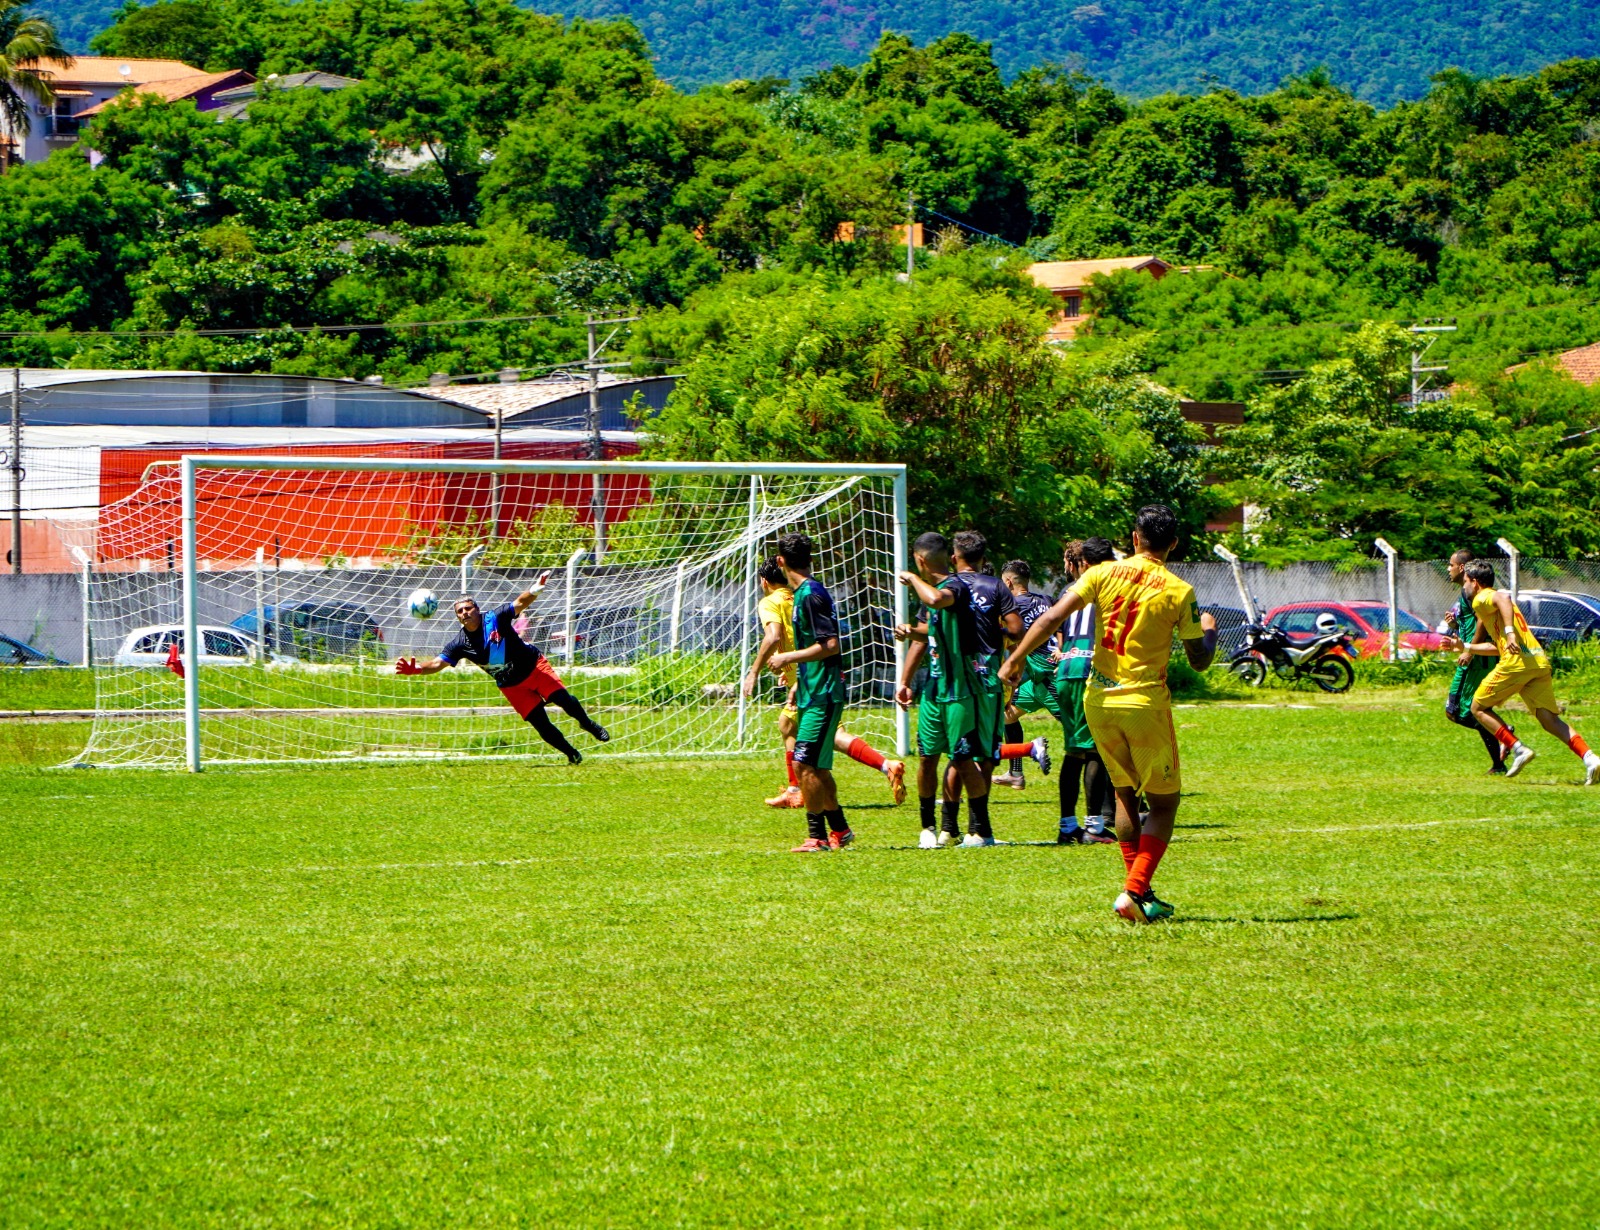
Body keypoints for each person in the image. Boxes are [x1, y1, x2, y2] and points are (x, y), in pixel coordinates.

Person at [1002, 505, 1217, 924]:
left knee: (1124, 793)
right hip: (1143, 702)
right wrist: (1206, 628)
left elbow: (1051, 617)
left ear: (1135, 539)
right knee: (1164, 803)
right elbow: (1200, 661)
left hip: (1098, 699)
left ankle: (1142, 894)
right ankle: (1133, 890)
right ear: (1173, 544)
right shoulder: (1179, 591)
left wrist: (1015, 661)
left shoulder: (1100, 574)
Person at [744, 558, 907, 808]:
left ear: (764, 582)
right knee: (804, 728)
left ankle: (802, 792)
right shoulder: (796, 597)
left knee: (807, 730)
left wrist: (754, 671)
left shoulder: (770, 601)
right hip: (812, 672)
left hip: (811, 679)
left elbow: (774, 635)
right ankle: (798, 789)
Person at [396, 578, 609, 763]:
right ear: (457, 617)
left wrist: (535, 589)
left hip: (534, 667)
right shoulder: (460, 643)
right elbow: (436, 664)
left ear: (477, 609)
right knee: (542, 725)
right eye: (459, 611)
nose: (464, 613)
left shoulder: (495, 618)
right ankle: (572, 754)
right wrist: (416, 669)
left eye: (468, 608)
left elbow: (520, 603)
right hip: (511, 685)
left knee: (564, 700)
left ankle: (587, 723)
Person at [1460, 559, 1600, 783]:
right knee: (1549, 720)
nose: (1463, 586)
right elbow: (1497, 647)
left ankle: (1517, 748)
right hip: (1537, 661)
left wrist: (1511, 633)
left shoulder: (1482, 598)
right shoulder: (1490, 609)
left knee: (1477, 707)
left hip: (1516, 663)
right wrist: (1464, 647)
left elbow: (1503, 597)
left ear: (1475, 582)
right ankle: (1591, 759)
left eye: (1465, 581)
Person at [895, 532, 993, 847]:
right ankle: (927, 828)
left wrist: (911, 578)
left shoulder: (955, 586)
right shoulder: (932, 593)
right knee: (927, 758)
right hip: (934, 691)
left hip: (960, 689)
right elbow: (929, 633)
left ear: (920, 560)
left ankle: (980, 831)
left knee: (963, 759)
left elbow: (938, 601)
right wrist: (906, 679)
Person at [945, 530, 1038, 844]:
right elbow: (1016, 628)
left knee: (957, 752)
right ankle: (978, 830)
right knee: (984, 754)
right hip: (986, 676)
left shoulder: (945, 586)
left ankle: (946, 828)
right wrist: (995, 633)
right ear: (983, 559)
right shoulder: (995, 585)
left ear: (955, 557)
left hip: (953, 678)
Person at [767, 533, 856, 851]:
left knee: (804, 764)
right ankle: (841, 831)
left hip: (825, 693)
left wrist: (787, 657)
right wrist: (797, 684)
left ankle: (817, 837)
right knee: (815, 767)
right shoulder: (805, 593)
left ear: (781, 561)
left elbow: (830, 645)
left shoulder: (811, 595)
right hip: (812, 691)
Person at [1052, 537, 1118, 845]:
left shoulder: (1068, 591)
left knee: (1074, 750)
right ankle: (1092, 826)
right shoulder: (1105, 587)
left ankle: (1068, 825)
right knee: (1093, 749)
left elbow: (1060, 631)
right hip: (1089, 670)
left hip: (1066, 669)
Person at [992, 558, 1059, 792]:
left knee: (1083, 738)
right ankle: (1015, 774)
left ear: (1008, 582)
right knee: (1007, 717)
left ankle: (1120, 791)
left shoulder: (1013, 609)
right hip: (1037, 680)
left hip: (1050, 680)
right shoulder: (1047, 601)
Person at [1439, 549, 1505, 774]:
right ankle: (1499, 759)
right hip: (1472, 656)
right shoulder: (1464, 593)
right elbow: (1470, 624)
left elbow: (1482, 621)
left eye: (1451, 564)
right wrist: (1456, 627)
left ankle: (1504, 735)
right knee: (1464, 711)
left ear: (1462, 568)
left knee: (1462, 711)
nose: (1448, 568)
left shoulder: (1471, 593)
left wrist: (1469, 651)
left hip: (1476, 659)